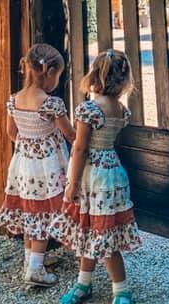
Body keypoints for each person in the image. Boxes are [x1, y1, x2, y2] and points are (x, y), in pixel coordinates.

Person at [56, 48, 141, 304]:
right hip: (113, 173)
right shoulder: (120, 110)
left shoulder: (89, 110)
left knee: (101, 237)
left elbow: (80, 148)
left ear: (95, 76)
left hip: (92, 177)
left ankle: (121, 291)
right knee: (95, 232)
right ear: (124, 80)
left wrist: (71, 185)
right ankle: (85, 284)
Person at [0, 43, 75, 287]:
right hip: (47, 168)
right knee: (41, 215)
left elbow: (11, 132)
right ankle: (36, 270)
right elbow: (70, 134)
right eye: (58, 75)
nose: (57, 82)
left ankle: (31, 261)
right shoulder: (52, 104)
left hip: (23, 166)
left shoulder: (13, 100)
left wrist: (28, 148)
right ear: (48, 71)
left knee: (31, 211)